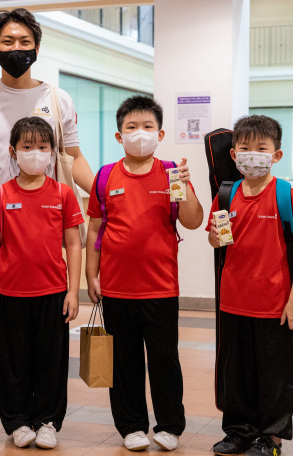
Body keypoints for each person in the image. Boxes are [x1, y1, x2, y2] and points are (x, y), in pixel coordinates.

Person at [0, 8, 93, 432]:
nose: (16, 49)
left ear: (37, 48)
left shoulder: (57, 100)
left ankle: (36, 409)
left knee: (39, 324)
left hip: (41, 228)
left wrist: (103, 192)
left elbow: (73, 159)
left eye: (25, 42)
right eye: (7, 42)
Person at [85, 95, 204, 452]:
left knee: (165, 359)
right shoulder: (105, 176)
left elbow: (193, 221)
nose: (140, 133)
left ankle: (169, 425)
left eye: (148, 127)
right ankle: (131, 426)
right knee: (125, 363)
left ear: (160, 133)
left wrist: (183, 186)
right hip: (117, 288)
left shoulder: (171, 172)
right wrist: (92, 276)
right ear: (119, 136)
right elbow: (94, 230)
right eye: (132, 127)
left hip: (161, 288)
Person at [0, 117, 83, 449]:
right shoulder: (2, 194)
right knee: (14, 361)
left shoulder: (62, 193)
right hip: (11, 293)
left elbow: (73, 244)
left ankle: (47, 421)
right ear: (13, 151)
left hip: (53, 292)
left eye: (43, 147)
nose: (35, 153)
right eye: (27, 147)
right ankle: (17, 421)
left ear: (52, 152)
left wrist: (73, 291)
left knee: (50, 359)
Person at [207, 115, 293, 456]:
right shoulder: (226, 194)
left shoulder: (286, 195)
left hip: (274, 304)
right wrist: (214, 235)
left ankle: (272, 437)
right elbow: (217, 243)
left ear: (276, 155)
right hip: (233, 301)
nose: (252, 155)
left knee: (274, 375)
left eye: (261, 149)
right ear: (234, 154)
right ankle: (239, 431)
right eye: (245, 148)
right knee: (235, 373)